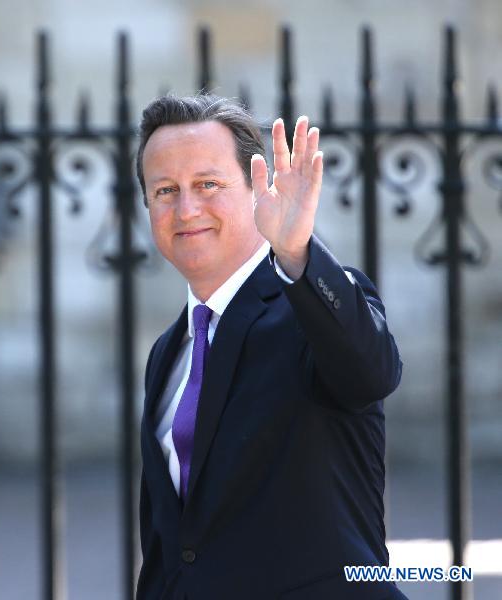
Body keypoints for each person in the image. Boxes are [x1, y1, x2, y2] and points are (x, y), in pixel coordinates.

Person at [135, 94, 406, 599]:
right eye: (165, 190)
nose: (186, 208)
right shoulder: (168, 352)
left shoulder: (309, 310)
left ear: (256, 189)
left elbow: (372, 373)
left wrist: (298, 253)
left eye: (208, 184)